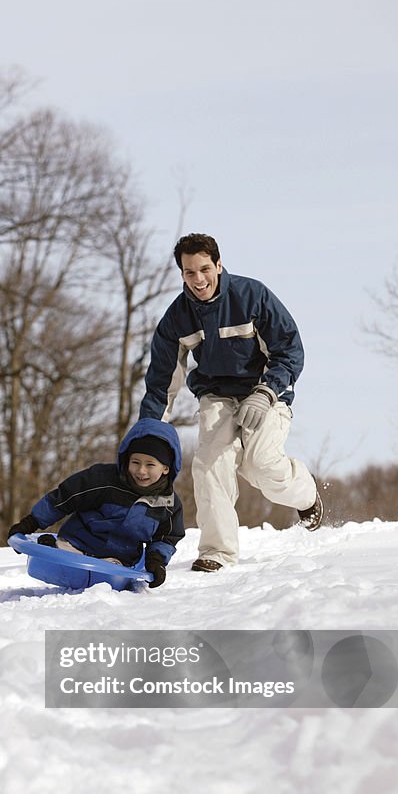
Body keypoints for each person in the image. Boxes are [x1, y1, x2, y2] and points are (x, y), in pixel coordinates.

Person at [139, 232, 322, 573]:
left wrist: (267, 392)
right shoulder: (177, 318)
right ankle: (217, 552)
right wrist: (147, 429)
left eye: (205, 269)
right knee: (209, 465)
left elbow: (289, 350)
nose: (199, 279)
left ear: (219, 265)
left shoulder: (251, 296)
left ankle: (307, 495)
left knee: (261, 465)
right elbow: (162, 381)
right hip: (217, 395)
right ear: (181, 273)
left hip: (266, 392)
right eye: (189, 272)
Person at [7, 419, 185, 588]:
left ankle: (77, 560)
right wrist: (31, 522)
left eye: (150, 465)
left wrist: (156, 561)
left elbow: (166, 537)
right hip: (77, 544)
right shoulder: (104, 480)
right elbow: (65, 497)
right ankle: (53, 549)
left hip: (116, 559)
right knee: (63, 557)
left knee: (111, 574)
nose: (141, 471)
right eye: (135, 462)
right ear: (126, 460)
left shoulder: (168, 503)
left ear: (166, 468)